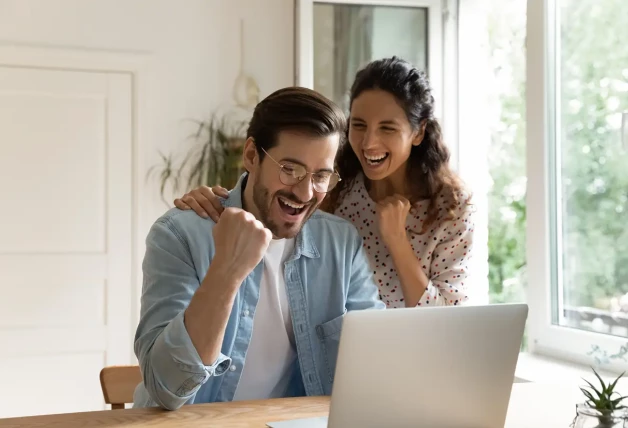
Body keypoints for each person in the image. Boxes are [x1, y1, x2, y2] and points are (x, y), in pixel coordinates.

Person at [134, 87, 385, 411]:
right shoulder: (180, 235)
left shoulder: (340, 243)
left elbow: (377, 361)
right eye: (290, 169)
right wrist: (227, 270)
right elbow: (166, 389)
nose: (306, 191)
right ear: (252, 155)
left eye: (321, 176)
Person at [174, 57, 475, 309]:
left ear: (418, 132)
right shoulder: (336, 187)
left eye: (388, 128)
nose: (369, 143)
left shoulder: (450, 207)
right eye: (359, 125)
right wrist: (217, 201)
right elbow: (271, 212)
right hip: (335, 356)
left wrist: (397, 241)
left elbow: (447, 321)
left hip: (419, 357)